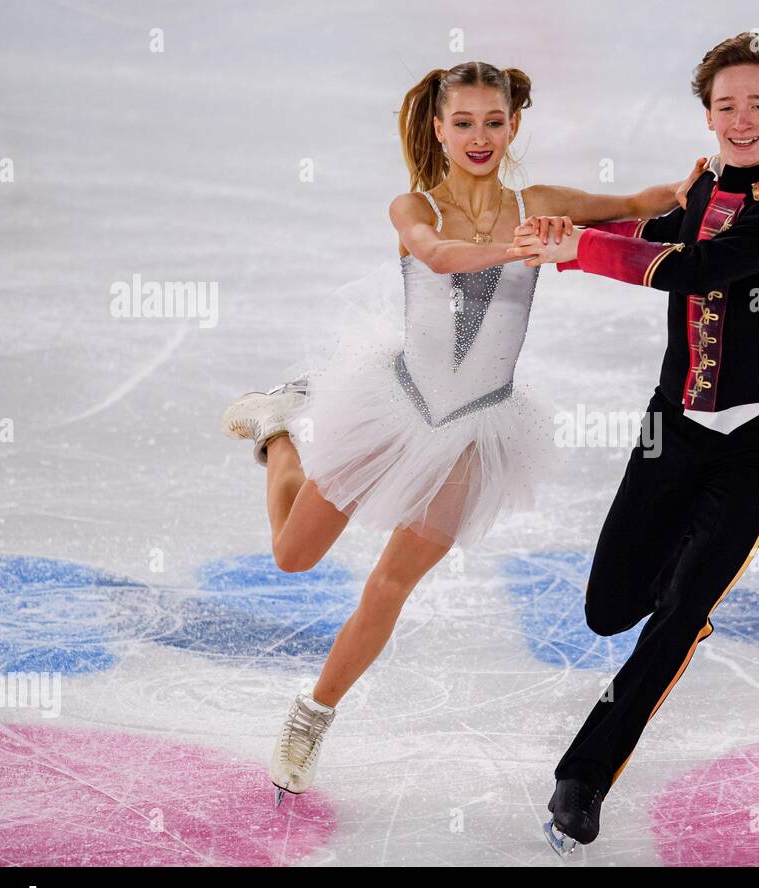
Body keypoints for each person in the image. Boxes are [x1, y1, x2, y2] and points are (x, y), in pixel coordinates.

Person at [219, 60, 704, 806]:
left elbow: (635, 205)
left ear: (513, 126)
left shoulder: (539, 201)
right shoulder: (416, 207)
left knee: (389, 586)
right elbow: (439, 257)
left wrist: (687, 189)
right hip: (395, 410)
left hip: (476, 434)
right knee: (293, 556)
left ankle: (313, 714)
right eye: (465, 122)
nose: (481, 137)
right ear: (440, 128)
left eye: (495, 121)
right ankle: (279, 432)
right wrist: (517, 249)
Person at [509, 31, 759, 855]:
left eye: (758, 104)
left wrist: (584, 248)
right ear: (709, 114)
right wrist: (562, 245)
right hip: (667, 428)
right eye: (726, 105)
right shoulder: (707, 185)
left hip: (754, 443)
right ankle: (688, 589)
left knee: (677, 614)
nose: (742, 118)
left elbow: (693, 268)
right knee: (608, 607)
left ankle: (585, 778)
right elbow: (659, 227)